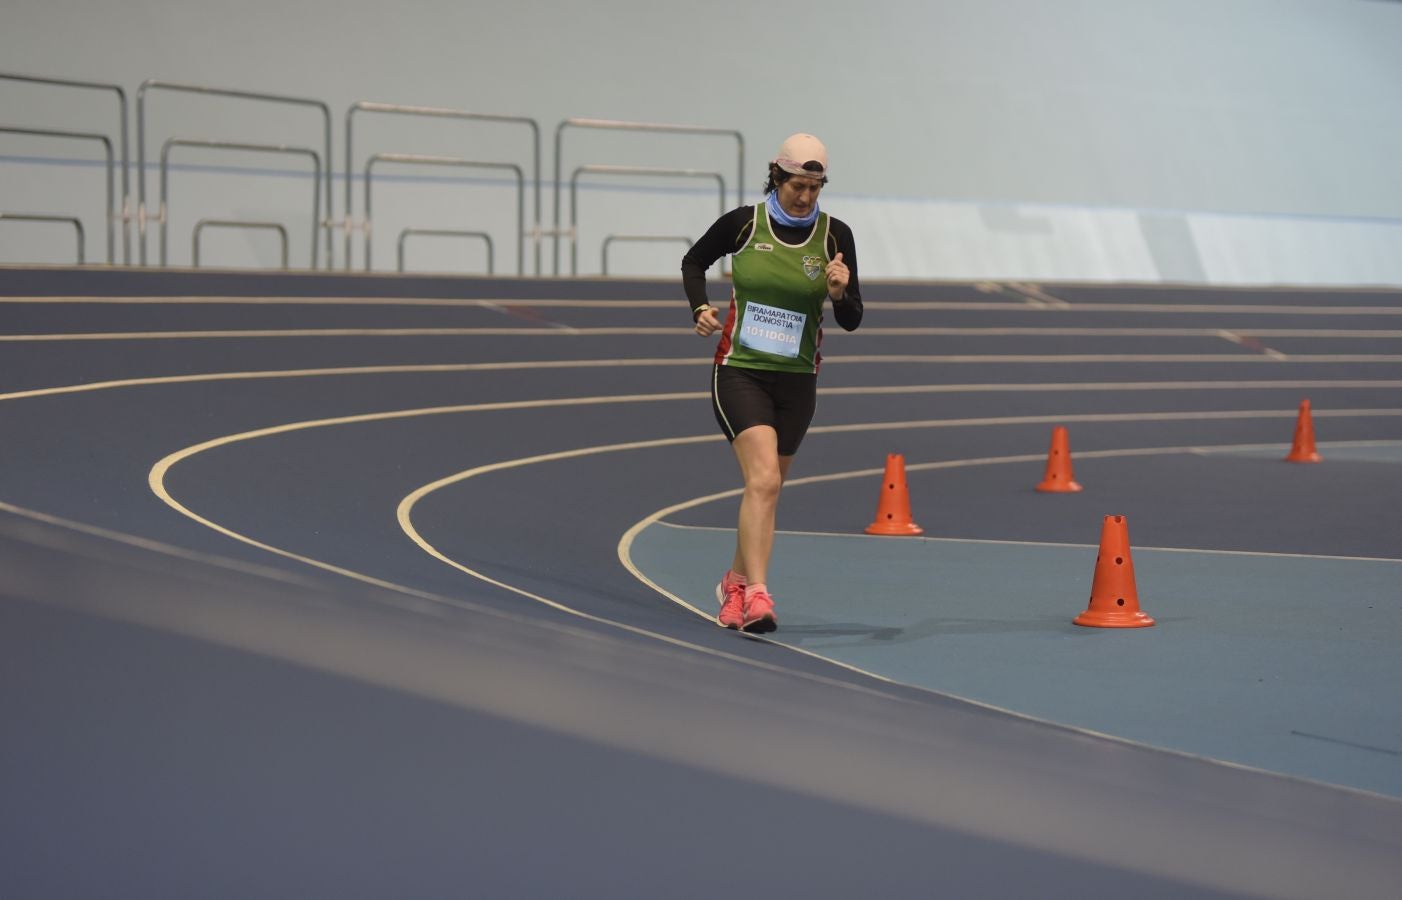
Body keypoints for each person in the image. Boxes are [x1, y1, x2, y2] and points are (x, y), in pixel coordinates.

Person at [680, 132, 864, 633]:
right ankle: (759, 595)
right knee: (762, 480)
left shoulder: (834, 236)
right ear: (777, 176)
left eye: (814, 187)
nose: (804, 197)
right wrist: (700, 307)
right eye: (796, 185)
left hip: (797, 380)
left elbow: (852, 318)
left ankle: (734, 585)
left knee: (767, 489)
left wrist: (840, 293)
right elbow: (694, 261)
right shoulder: (743, 224)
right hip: (739, 370)